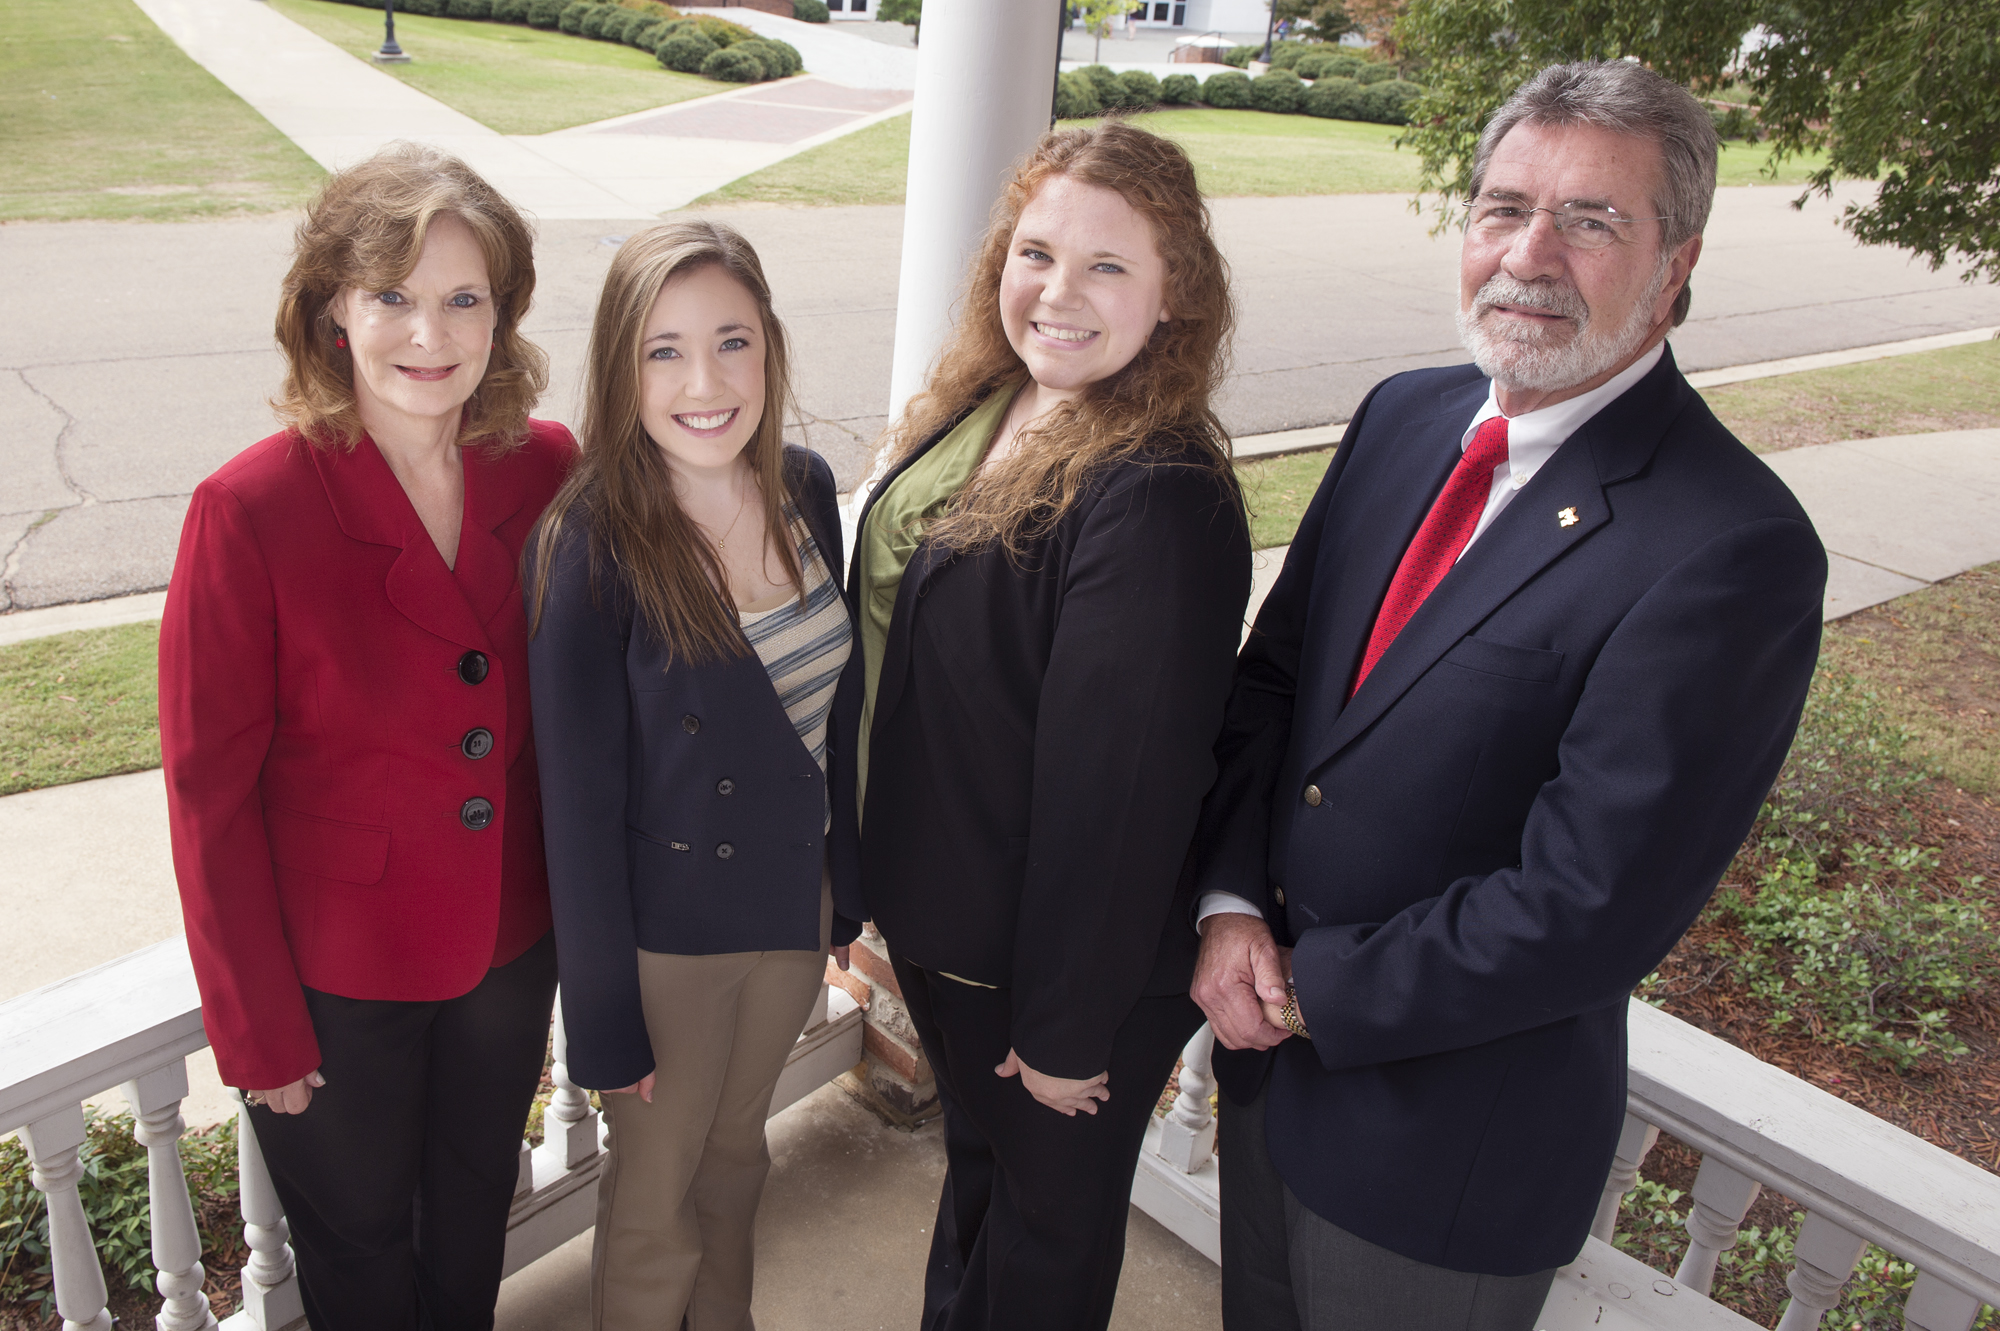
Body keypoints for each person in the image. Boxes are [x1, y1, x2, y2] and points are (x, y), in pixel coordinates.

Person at [1190, 61, 1829, 1331]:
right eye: (1501, 208)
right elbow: (1273, 688)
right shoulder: (1401, 417)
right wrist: (1222, 907)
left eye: (1591, 219)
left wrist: (1307, 988)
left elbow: (1590, 903)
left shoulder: (1729, 545)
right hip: (1265, 1084)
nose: (1528, 254)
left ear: (1674, 263)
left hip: (1445, 1154)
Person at [833, 120, 1252, 1331]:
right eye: (1035, 254)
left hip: (1061, 974)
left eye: (1109, 266)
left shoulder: (1155, 490)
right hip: (958, 933)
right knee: (980, 1186)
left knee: (1041, 1248)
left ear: (1174, 295)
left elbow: (1117, 790)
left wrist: (1066, 1031)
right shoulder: (993, 403)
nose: (1058, 294)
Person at [159, 142, 573, 1330]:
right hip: (334, 983)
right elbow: (208, 795)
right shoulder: (248, 509)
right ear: (332, 308)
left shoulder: (544, 466)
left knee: (467, 1229)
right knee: (357, 1262)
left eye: (463, 297)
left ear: (502, 314)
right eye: (391, 293)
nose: (428, 333)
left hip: (505, 945)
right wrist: (254, 1027)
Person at [524, 220, 858, 1331]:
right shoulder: (592, 539)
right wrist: (604, 1019)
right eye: (663, 350)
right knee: (653, 1198)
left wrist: (840, 888)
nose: (704, 382)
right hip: (667, 943)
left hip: (787, 911)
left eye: (731, 340)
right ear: (622, 370)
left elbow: (832, 719)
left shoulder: (806, 489)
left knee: (735, 1158)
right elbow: (573, 809)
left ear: (770, 346)